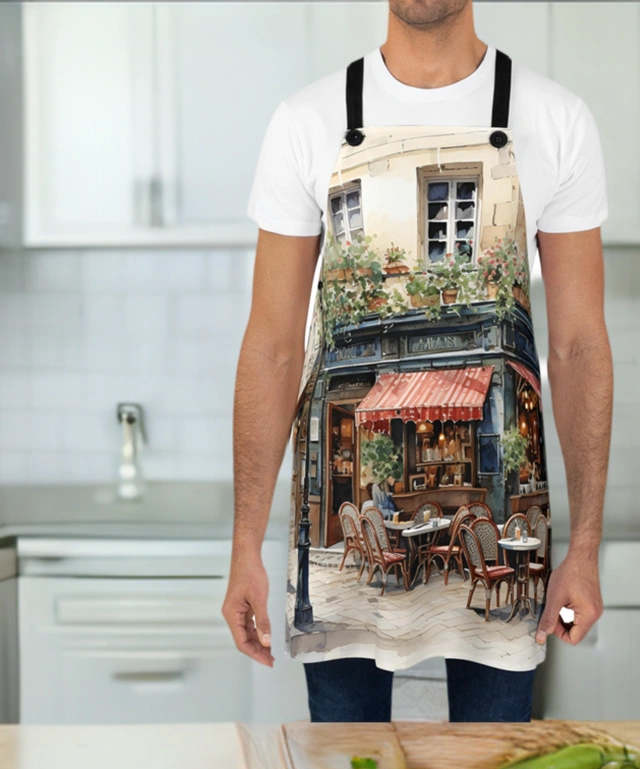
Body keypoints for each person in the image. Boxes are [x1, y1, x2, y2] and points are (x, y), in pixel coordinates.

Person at [223, 0, 613, 724]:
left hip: (514, 573)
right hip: (336, 570)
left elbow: (578, 345)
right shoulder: (306, 121)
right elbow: (273, 345)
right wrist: (245, 543)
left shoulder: (557, 120)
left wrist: (585, 546)